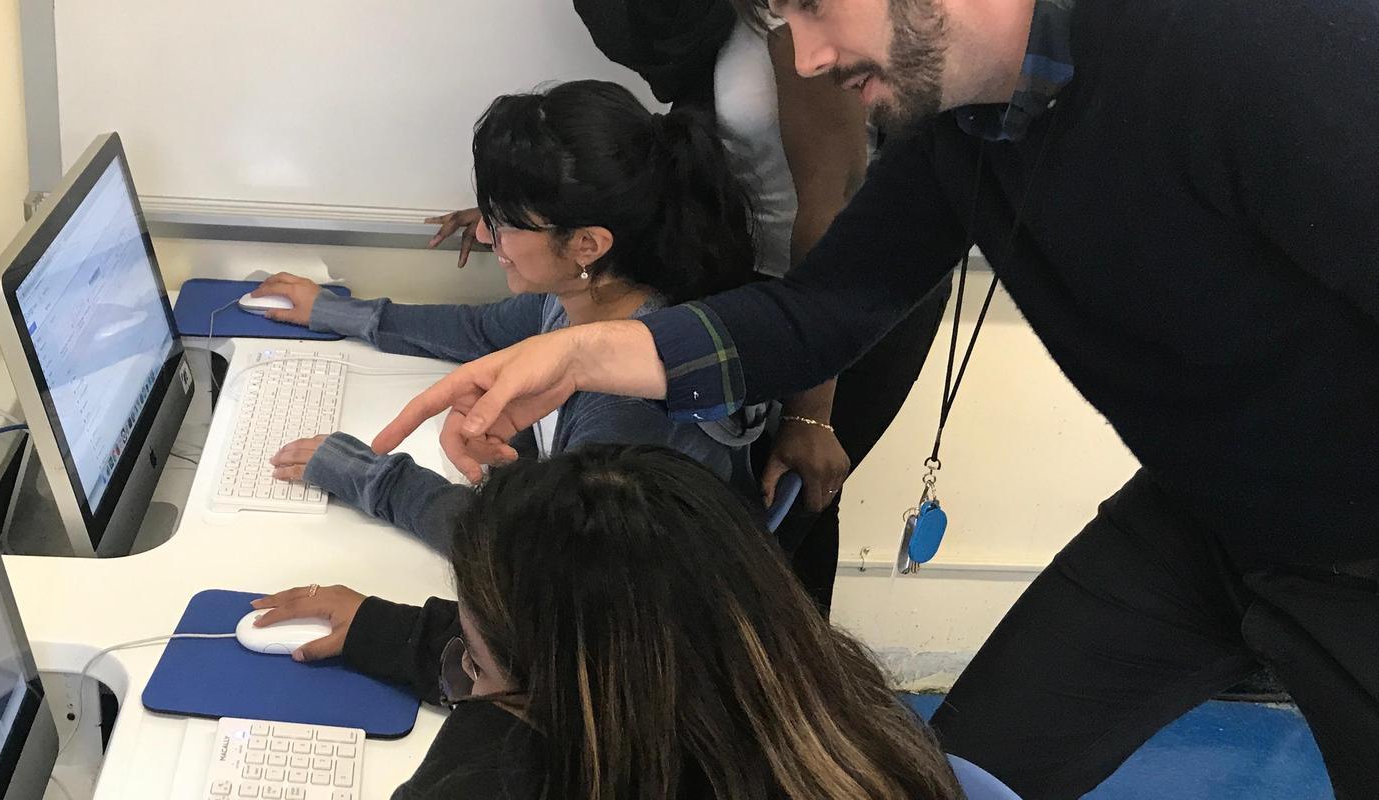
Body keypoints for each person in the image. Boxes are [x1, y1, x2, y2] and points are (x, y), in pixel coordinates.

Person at [367, 0, 1379, 793]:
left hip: (1353, 560)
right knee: (928, 777)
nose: (805, 57)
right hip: (1199, 518)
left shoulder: (1259, 43)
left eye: (814, 5)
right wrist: (593, 351)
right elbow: (826, 308)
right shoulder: (959, 126)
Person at [426, 0, 950, 609]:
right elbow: (688, 138)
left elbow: (830, 210)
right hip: (744, 274)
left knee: (787, 516)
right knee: (732, 509)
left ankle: (786, 658)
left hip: (832, 303)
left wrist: (811, 414)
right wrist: (525, 215)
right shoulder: (729, 21)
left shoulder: (800, 25)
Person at [251, 445, 963, 799]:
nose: (470, 679)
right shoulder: (824, 698)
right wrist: (383, 629)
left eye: (473, 664)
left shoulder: (501, 779)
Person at [249, 80, 770, 553]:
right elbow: (478, 330)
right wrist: (336, 311)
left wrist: (370, 477)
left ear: (587, 245)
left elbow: (523, 554)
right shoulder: (584, 297)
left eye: (504, 223)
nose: (482, 235)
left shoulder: (623, 414)